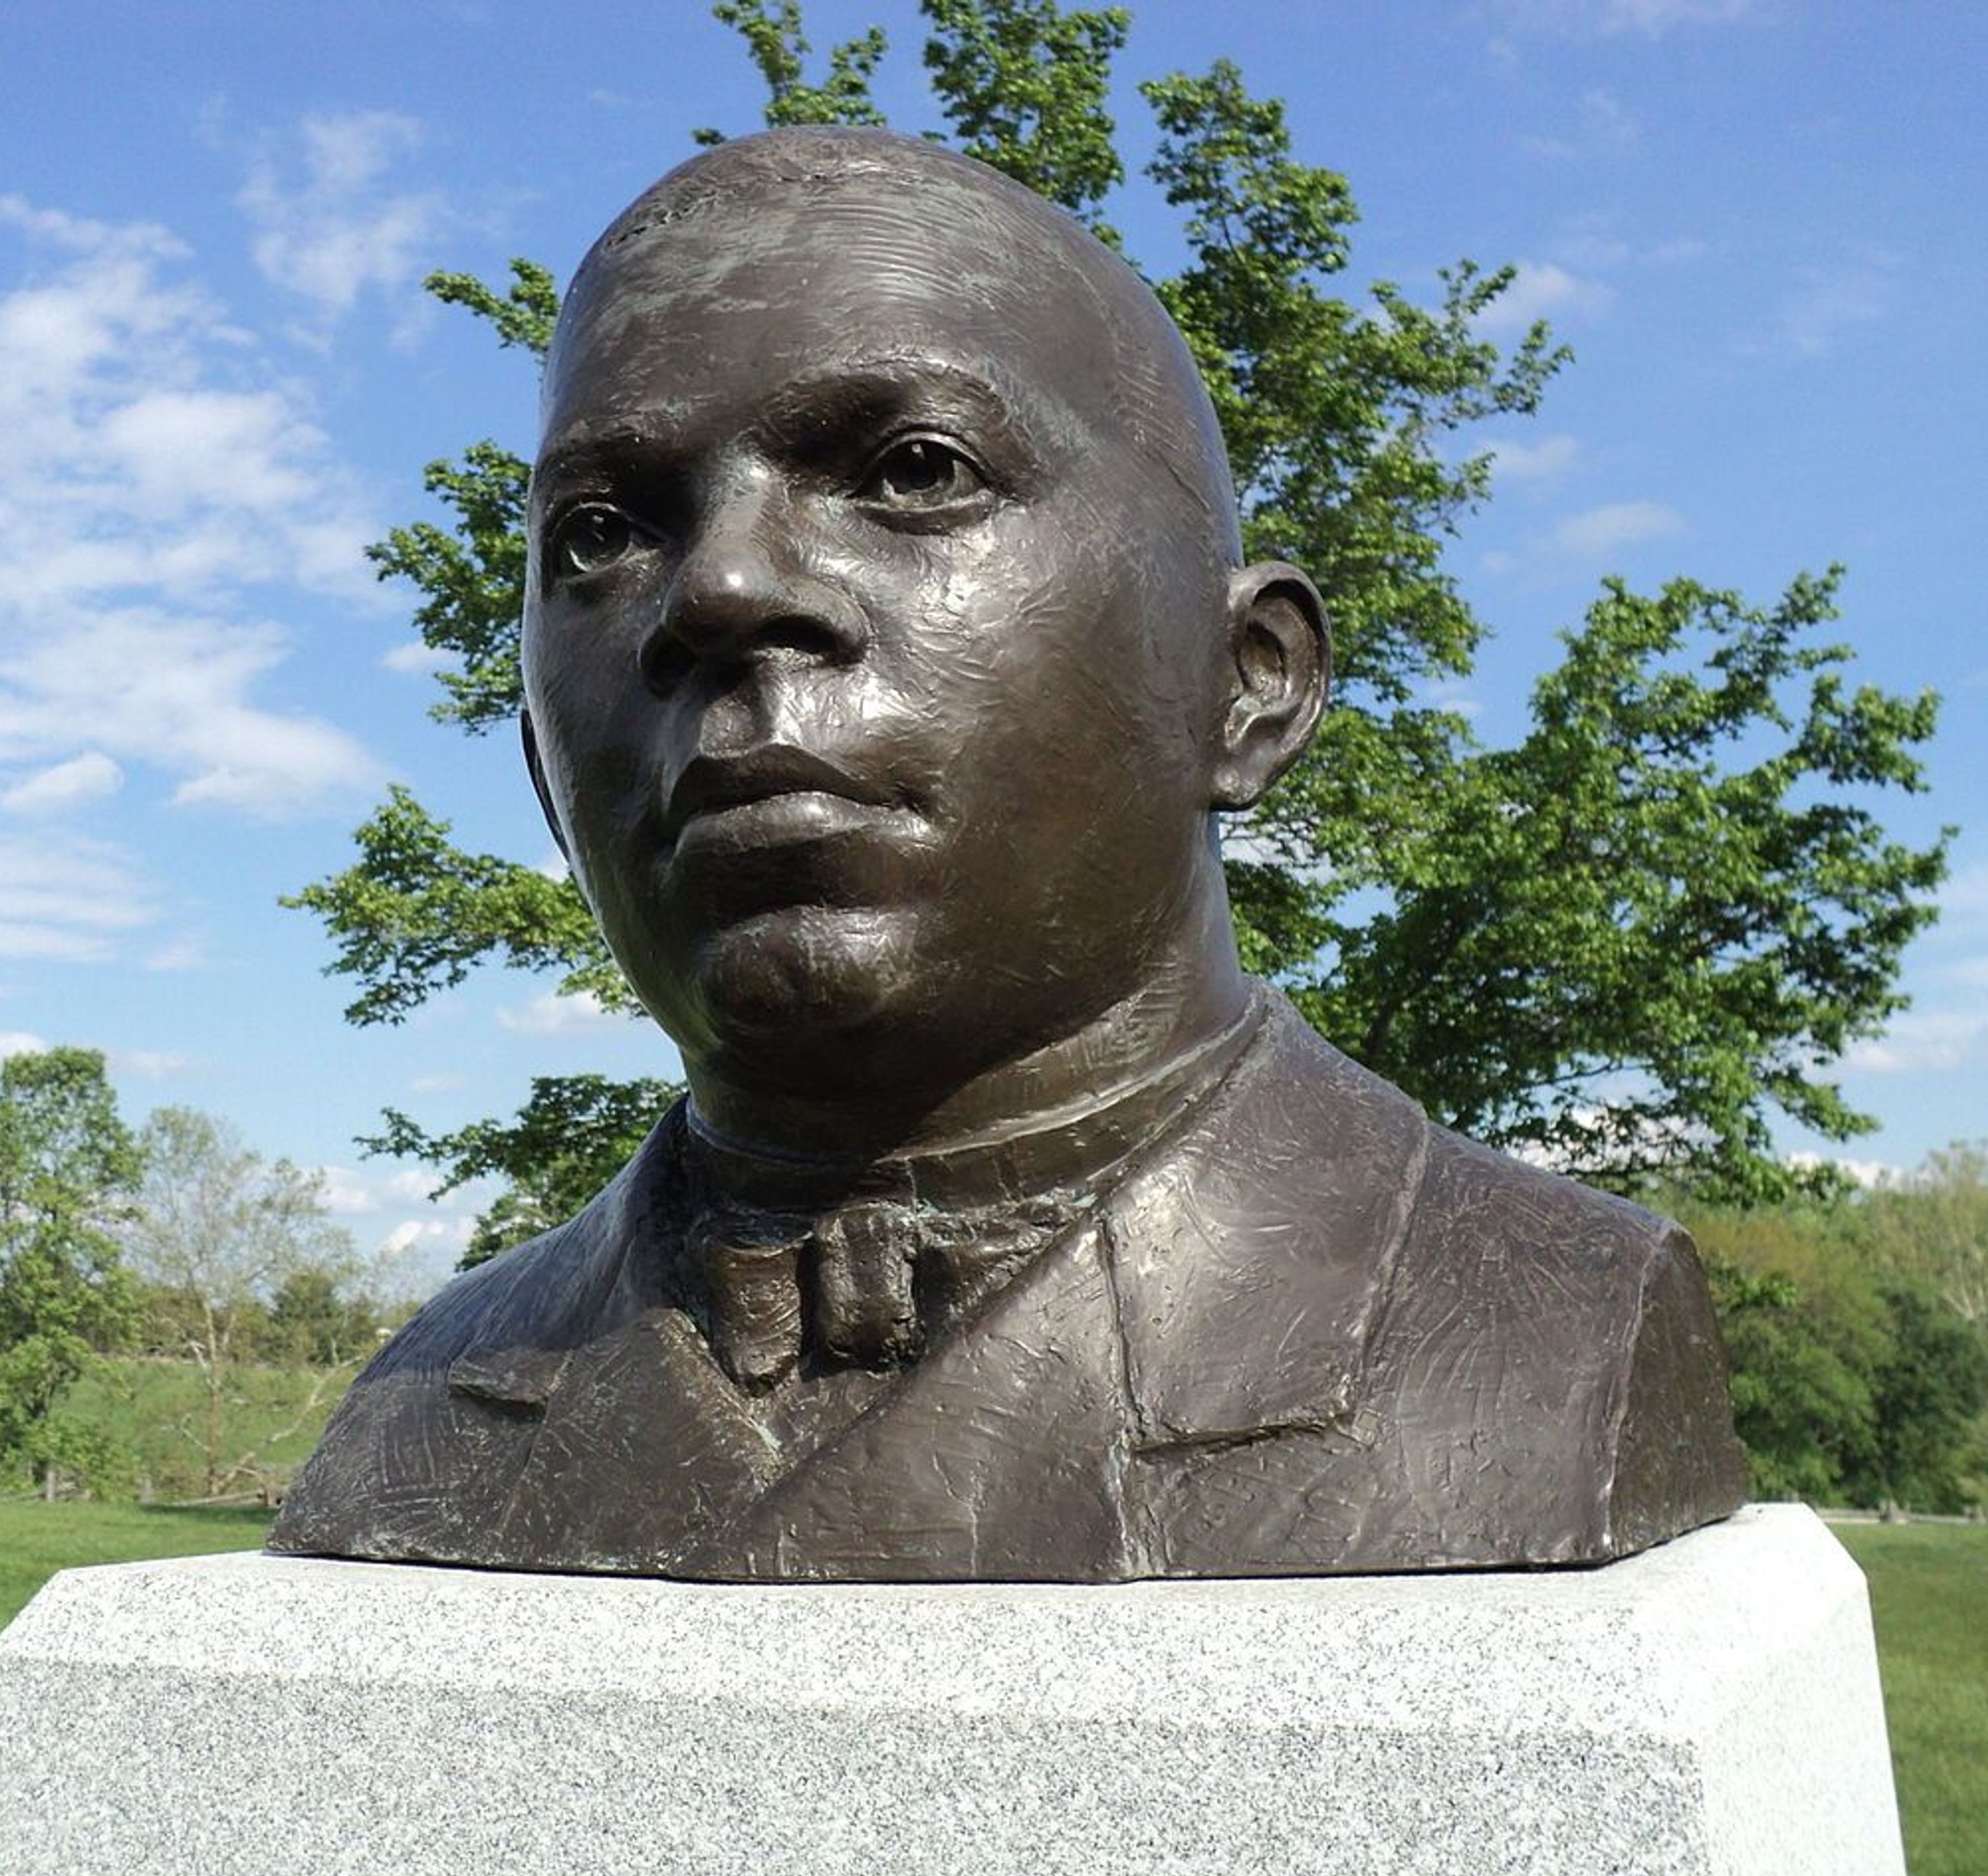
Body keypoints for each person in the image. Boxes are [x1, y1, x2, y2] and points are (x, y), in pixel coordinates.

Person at [271, 127, 1747, 1581]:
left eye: (913, 469)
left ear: (1247, 683)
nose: (719, 589)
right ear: (542, 769)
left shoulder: (1549, 1328)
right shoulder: (424, 1415)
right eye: (600, 532)